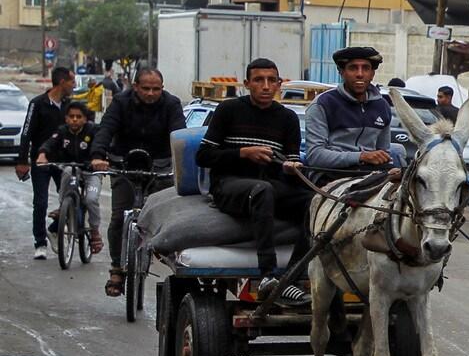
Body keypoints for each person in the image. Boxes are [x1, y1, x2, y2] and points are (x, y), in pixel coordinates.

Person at [196, 59, 313, 307]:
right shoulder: (228, 110)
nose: (266, 86)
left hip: (270, 184)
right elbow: (203, 156)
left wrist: (292, 168)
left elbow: (291, 161)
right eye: (259, 80)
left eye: (272, 80)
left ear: (280, 84)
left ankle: (293, 276)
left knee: (314, 202)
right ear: (247, 83)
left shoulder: (288, 118)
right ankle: (268, 275)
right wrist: (243, 153)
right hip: (230, 184)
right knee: (263, 190)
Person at [91, 67, 185, 297]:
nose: (152, 93)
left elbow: (180, 135)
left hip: (159, 165)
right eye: (146, 88)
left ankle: (166, 254)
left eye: (156, 89)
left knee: (166, 215)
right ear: (135, 87)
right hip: (124, 163)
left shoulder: (172, 104)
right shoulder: (121, 103)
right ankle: (116, 268)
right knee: (118, 216)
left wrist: (183, 161)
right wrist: (98, 155)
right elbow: (106, 129)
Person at [304, 46, 395, 182]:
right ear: (342, 72)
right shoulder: (323, 104)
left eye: (365, 68)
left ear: (372, 74)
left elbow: (383, 152)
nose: (360, 74)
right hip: (330, 175)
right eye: (353, 68)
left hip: (369, 175)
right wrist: (361, 156)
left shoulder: (383, 106)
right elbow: (315, 155)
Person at [15, 66, 76, 259]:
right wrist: (22, 160)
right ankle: (39, 243)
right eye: (71, 82)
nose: (74, 85)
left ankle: (54, 228)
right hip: (41, 161)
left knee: (72, 199)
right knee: (40, 203)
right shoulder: (38, 104)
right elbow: (26, 133)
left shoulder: (70, 106)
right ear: (61, 82)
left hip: (64, 161)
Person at [36, 101, 104, 254]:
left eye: (78, 117)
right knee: (66, 171)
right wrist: (42, 155)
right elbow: (49, 143)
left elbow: (102, 145)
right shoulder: (62, 131)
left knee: (91, 199)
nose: (74, 119)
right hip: (71, 169)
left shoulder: (93, 131)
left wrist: (99, 160)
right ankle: (63, 207)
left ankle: (94, 232)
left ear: (85, 119)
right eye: (71, 116)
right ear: (66, 118)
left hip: (91, 171)